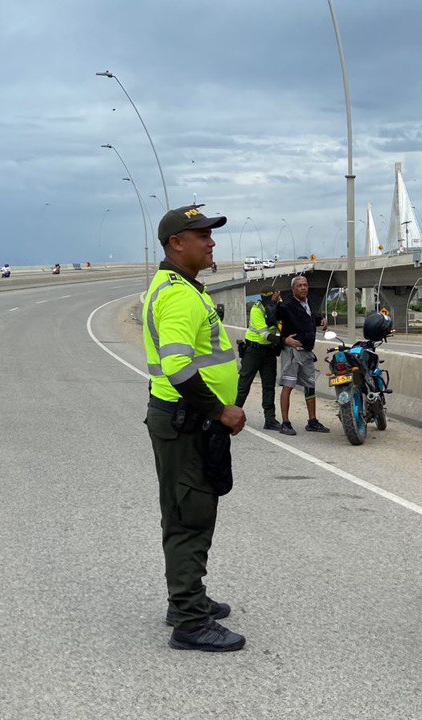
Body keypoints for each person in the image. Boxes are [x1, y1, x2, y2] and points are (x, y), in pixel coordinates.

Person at [143, 204, 247, 652]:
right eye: (201, 234)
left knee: (181, 511)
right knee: (191, 516)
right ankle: (189, 620)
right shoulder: (180, 295)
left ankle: (186, 598)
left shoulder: (181, 286)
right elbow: (178, 365)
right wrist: (219, 411)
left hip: (181, 419)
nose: (211, 241)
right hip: (188, 421)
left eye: (210, 233)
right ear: (175, 244)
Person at [274, 275, 330, 436]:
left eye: (305, 285)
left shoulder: (308, 302)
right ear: (293, 289)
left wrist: (322, 320)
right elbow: (276, 316)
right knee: (288, 385)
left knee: (310, 385)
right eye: (299, 286)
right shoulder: (287, 305)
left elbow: (309, 319)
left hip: (306, 351)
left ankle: (312, 421)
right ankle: (285, 423)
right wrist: (285, 339)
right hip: (293, 351)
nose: (303, 288)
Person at [236, 288, 283, 431]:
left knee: (269, 386)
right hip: (253, 351)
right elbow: (265, 335)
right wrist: (284, 339)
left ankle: (270, 419)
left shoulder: (278, 307)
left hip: (268, 352)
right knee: (244, 384)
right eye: (273, 298)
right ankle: (234, 415)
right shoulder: (257, 309)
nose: (276, 299)